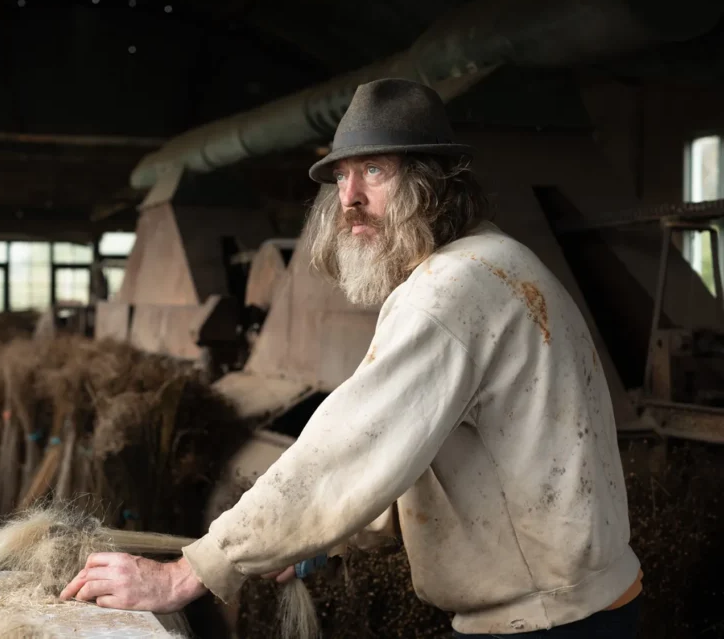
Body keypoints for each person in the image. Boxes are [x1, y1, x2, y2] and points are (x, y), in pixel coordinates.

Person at [60, 78, 643, 637]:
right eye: (340, 176)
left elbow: (351, 444)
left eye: (373, 170)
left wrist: (192, 571)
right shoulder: (497, 261)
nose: (349, 200)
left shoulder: (451, 289)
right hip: (579, 603)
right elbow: (418, 448)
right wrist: (317, 539)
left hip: (547, 622)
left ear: (433, 181)